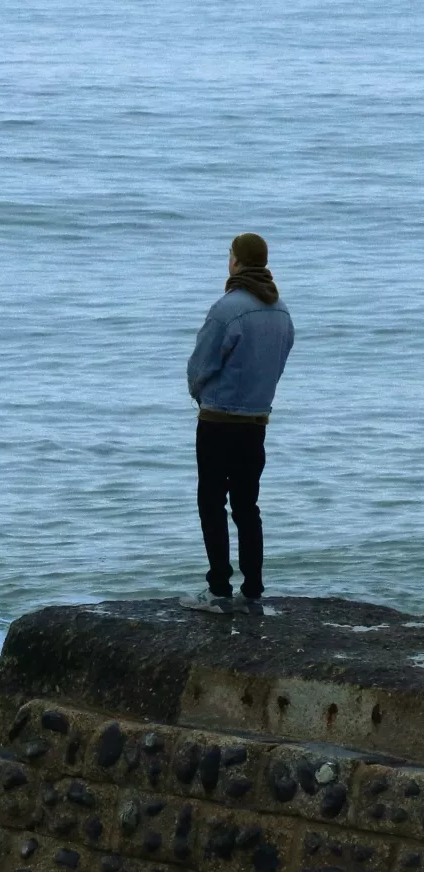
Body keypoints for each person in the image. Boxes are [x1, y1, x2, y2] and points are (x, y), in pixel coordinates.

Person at [181, 233, 294, 616]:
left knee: (211, 502)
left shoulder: (227, 309)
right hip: (256, 422)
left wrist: (199, 394)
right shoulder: (280, 311)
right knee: (247, 505)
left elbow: (201, 365)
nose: (227, 261)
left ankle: (218, 589)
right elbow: (278, 363)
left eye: (229, 255)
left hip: (218, 420)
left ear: (238, 262)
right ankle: (254, 590)